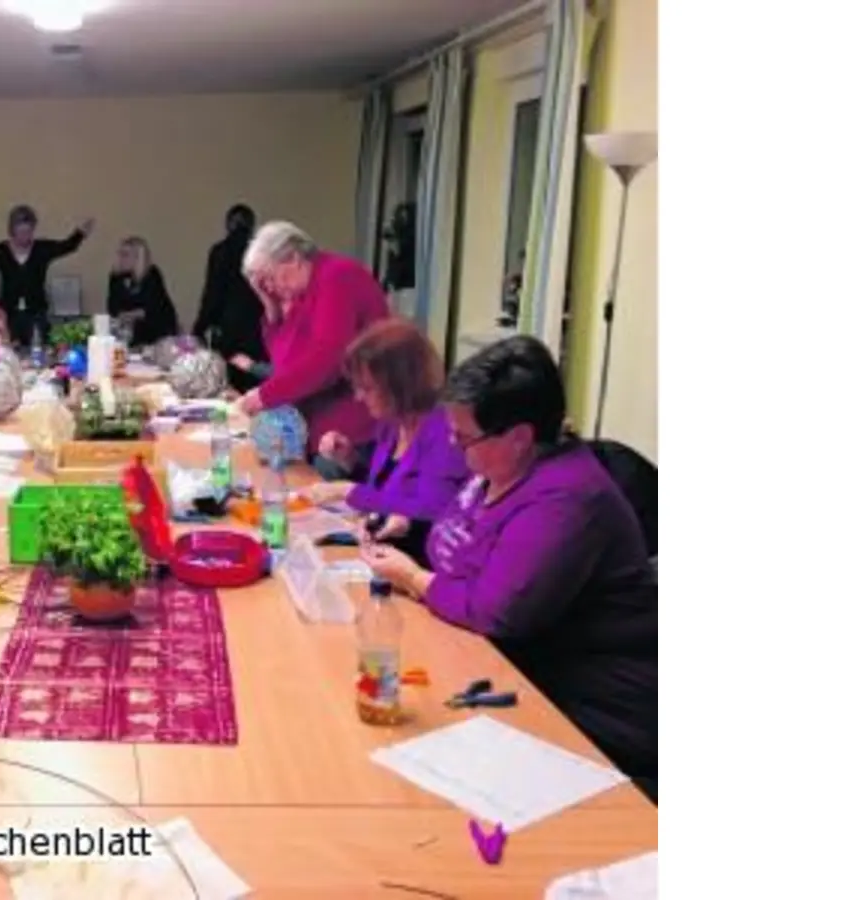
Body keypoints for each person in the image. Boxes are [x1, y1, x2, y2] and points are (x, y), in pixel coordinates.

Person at [362, 335, 657, 795]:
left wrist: (415, 578)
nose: (454, 445)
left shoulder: (566, 499)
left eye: (465, 437)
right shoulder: (497, 470)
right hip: (490, 657)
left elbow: (495, 611)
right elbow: (468, 545)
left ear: (520, 437)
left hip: (571, 694)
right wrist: (411, 529)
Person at [296, 318, 470, 565]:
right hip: (379, 552)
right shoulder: (393, 424)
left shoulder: (446, 433)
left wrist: (349, 492)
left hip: (417, 565)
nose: (359, 397)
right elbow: (387, 487)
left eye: (367, 388)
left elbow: (430, 510)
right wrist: (350, 459)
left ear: (400, 386)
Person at [233, 221, 391, 457]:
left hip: (352, 429)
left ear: (293, 259)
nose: (269, 288)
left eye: (269, 278)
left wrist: (264, 396)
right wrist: (271, 307)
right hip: (317, 424)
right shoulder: (300, 293)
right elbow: (285, 362)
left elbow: (327, 360)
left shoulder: (336, 276)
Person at [0, 204, 93, 346]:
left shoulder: (41, 249)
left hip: (36, 313)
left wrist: (80, 233)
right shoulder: (0, 251)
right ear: (12, 230)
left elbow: (66, 246)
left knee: (39, 348)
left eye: (28, 232)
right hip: (8, 314)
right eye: (21, 232)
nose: (25, 236)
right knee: (9, 350)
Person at [193, 204, 267, 393]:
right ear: (252, 226)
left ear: (229, 224)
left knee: (228, 381)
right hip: (258, 325)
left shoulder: (221, 251)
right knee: (254, 379)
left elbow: (212, 293)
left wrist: (199, 328)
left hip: (228, 325)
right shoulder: (262, 253)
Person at [105, 236, 179, 347]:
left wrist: (131, 315)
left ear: (138, 257)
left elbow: (154, 308)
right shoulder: (116, 277)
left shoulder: (152, 275)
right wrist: (128, 315)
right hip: (129, 332)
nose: (121, 258)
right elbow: (112, 307)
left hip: (157, 330)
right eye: (120, 254)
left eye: (126, 255)